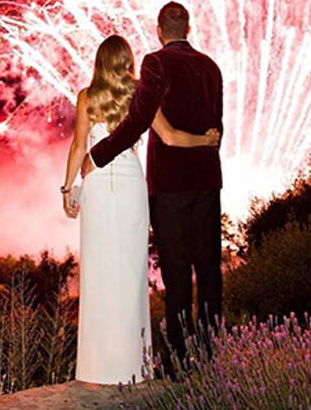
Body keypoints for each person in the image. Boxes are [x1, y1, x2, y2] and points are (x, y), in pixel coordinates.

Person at [61, 33, 219, 385]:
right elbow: (171, 136)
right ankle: (135, 364)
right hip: (131, 185)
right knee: (132, 275)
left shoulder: (86, 97)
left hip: (97, 186)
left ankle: (100, 367)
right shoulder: (139, 94)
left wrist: (67, 188)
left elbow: (78, 147)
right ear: (129, 62)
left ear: (99, 62)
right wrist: (206, 140)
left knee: (99, 272)